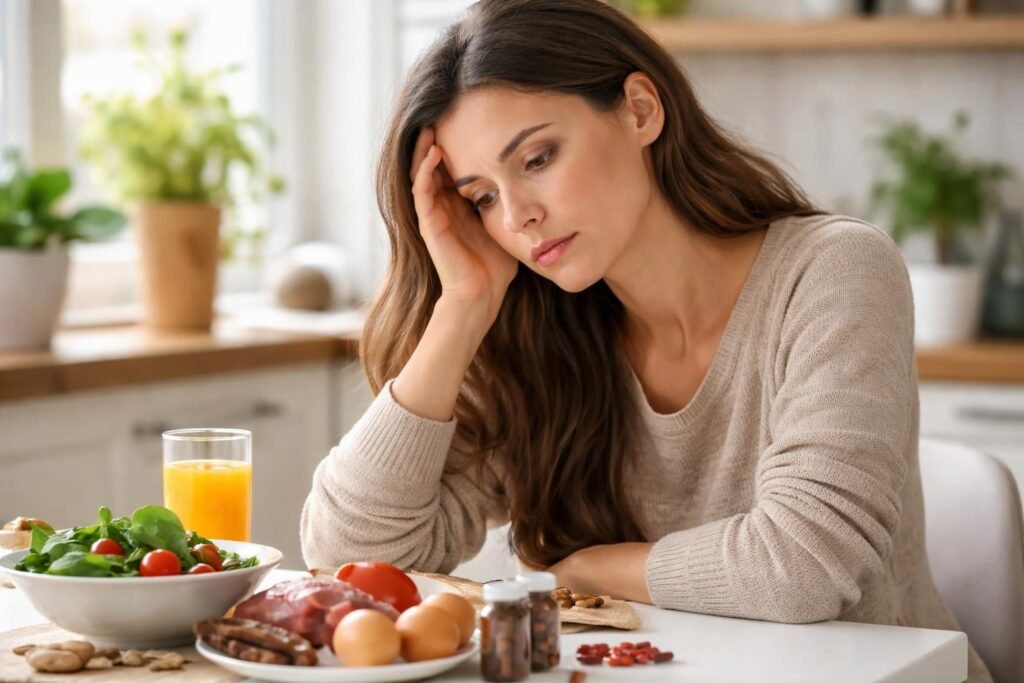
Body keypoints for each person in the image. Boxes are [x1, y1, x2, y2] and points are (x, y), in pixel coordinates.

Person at [301, 1, 989, 679]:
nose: (518, 216)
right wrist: (464, 305)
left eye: (537, 157)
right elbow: (348, 555)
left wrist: (583, 568)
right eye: (481, 196)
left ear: (639, 109)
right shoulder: (540, 333)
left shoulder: (832, 270)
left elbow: (799, 568)